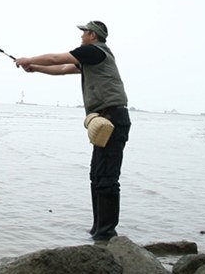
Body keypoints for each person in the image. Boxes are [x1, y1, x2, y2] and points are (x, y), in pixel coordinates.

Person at [15, 21, 131, 241]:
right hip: (102, 120)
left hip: (113, 119)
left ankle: (106, 233)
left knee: (107, 177)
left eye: (84, 33)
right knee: (96, 175)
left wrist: (29, 59)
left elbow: (57, 59)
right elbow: (61, 69)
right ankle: (97, 230)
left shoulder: (95, 51)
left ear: (93, 35)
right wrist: (34, 69)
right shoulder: (91, 58)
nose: (81, 36)